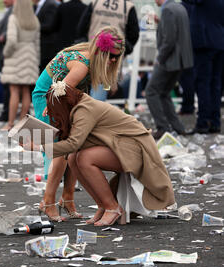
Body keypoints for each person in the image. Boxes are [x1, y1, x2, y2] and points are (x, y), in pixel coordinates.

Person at [21, 85, 176, 227]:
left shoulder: (84, 109)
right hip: (122, 145)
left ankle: (112, 207)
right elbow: (72, 145)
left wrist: (38, 147)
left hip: (136, 149)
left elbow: (73, 143)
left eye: (55, 112)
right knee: (73, 158)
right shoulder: (78, 105)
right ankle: (103, 205)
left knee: (84, 158)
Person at [32, 26, 125, 222]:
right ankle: (48, 202)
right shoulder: (83, 65)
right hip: (49, 99)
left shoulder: (89, 56)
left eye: (118, 56)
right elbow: (59, 89)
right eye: (111, 56)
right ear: (101, 52)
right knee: (61, 151)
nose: (114, 60)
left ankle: (67, 198)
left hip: (62, 98)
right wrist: (54, 110)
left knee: (75, 146)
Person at [145, 0, 193, 140]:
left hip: (170, 59)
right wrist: (160, 22)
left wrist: (160, 58)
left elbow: (169, 39)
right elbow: (176, 30)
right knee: (164, 93)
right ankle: (178, 128)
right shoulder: (179, 7)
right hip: (182, 60)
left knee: (151, 91)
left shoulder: (167, 10)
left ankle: (162, 127)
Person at [77, 0, 139, 101]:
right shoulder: (128, 6)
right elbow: (134, 36)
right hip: (111, 59)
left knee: (87, 91)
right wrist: (120, 52)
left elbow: (81, 28)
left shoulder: (95, 3)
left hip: (91, 53)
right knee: (100, 93)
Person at [184, 0, 224, 134]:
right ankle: (215, 122)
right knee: (215, 85)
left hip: (204, 42)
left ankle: (203, 122)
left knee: (203, 83)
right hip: (219, 42)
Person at [0, 0, 40, 131]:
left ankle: (10, 123)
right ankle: (23, 124)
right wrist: (36, 60)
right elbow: (37, 43)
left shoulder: (14, 18)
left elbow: (11, 40)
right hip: (31, 56)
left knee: (14, 91)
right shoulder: (35, 20)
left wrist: (5, 53)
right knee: (26, 91)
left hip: (16, 56)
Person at [0, 0, 15, 122]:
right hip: (7, 55)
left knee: (10, 88)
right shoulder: (10, 12)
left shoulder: (13, 13)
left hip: (8, 56)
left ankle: (7, 114)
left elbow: (11, 37)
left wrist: (5, 52)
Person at [32, 0, 59, 74]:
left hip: (47, 49)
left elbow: (49, 26)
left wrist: (33, 28)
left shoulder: (51, 4)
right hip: (38, 48)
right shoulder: (35, 6)